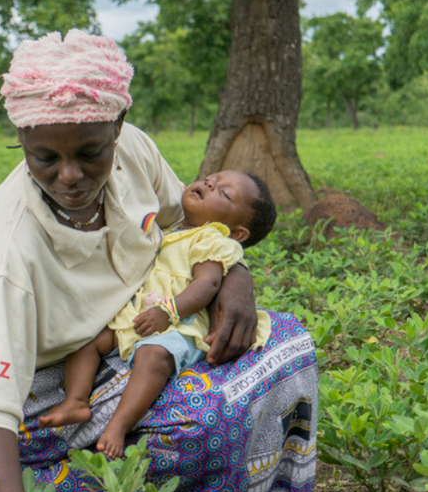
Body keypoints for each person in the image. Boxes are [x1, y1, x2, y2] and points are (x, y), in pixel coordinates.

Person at [0, 31, 316, 492]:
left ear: (117, 127)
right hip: (50, 397)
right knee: (206, 421)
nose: (70, 176)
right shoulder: (7, 249)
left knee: (289, 341)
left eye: (90, 153)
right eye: (44, 158)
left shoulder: (134, 151)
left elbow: (187, 225)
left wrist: (236, 277)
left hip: (124, 336)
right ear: (22, 138)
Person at [36, 170, 277, 459]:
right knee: (89, 339)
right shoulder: (166, 227)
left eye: (224, 193)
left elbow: (207, 283)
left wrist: (169, 311)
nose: (210, 184)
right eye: (212, 178)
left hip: (179, 322)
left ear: (237, 232)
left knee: (154, 356)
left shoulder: (211, 239)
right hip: (140, 313)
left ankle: (119, 425)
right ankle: (76, 400)